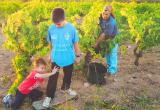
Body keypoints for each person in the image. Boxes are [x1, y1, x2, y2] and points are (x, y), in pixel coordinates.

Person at [43, 8, 81, 108]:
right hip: (56, 58)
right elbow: (50, 43)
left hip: (68, 58)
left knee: (68, 75)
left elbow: (75, 43)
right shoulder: (51, 28)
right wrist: (50, 54)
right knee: (53, 77)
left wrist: (77, 56)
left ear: (64, 19)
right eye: (55, 24)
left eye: (58, 24)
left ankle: (65, 88)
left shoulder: (71, 28)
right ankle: (49, 96)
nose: (57, 26)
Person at [94, 5, 118, 75]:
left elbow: (104, 35)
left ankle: (112, 70)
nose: (104, 15)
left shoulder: (111, 22)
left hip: (113, 38)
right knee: (107, 53)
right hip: (105, 37)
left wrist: (96, 43)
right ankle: (108, 67)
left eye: (106, 14)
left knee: (112, 53)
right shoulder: (100, 16)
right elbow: (97, 24)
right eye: (103, 13)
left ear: (110, 13)